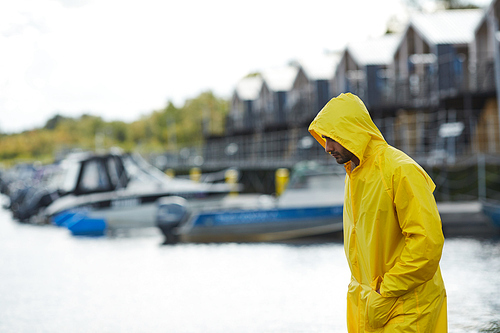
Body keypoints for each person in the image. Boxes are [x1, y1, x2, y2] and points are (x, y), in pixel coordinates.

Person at [308, 93, 447, 332]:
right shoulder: (353, 176)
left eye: (333, 138)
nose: (327, 147)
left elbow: (427, 243)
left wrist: (385, 290)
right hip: (370, 308)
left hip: (408, 308)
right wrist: (372, 297)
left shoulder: (401, 170)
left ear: (352, 132)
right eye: (325, 138)